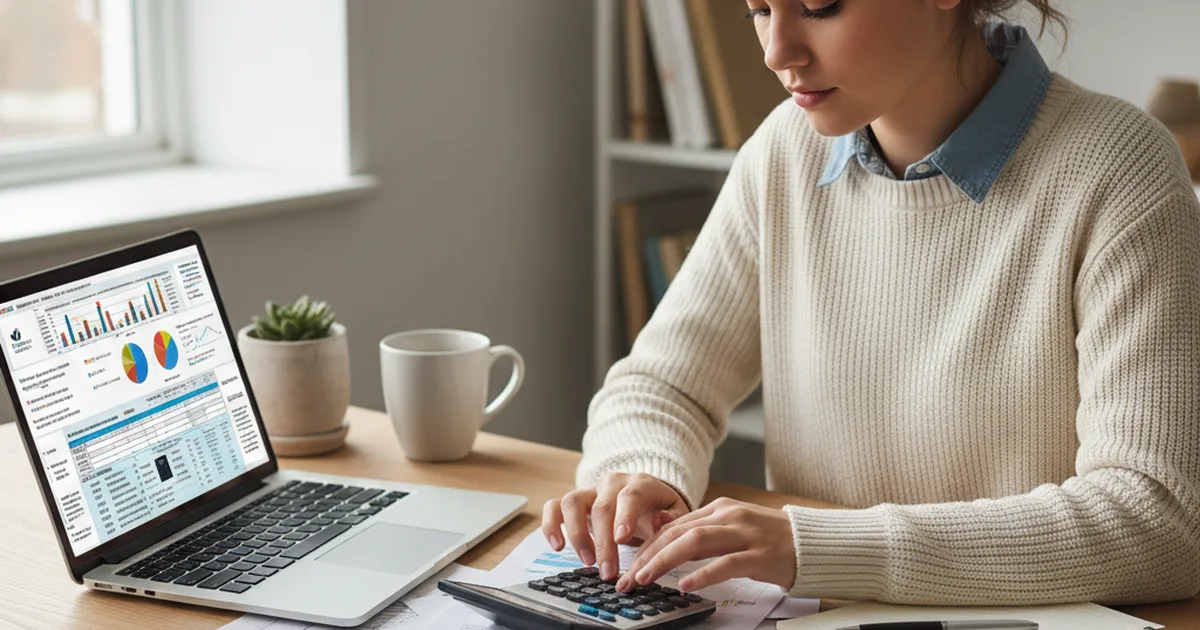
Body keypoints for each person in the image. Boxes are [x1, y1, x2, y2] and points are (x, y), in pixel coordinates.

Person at [542, 0, 1200, 606]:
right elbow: (661, 386)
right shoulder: (783, 153)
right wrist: (640, 475)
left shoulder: (1120, 169)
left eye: (819, 6)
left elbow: (1158, 517)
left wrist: (815, 548)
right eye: (759, 9)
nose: (776, 51)